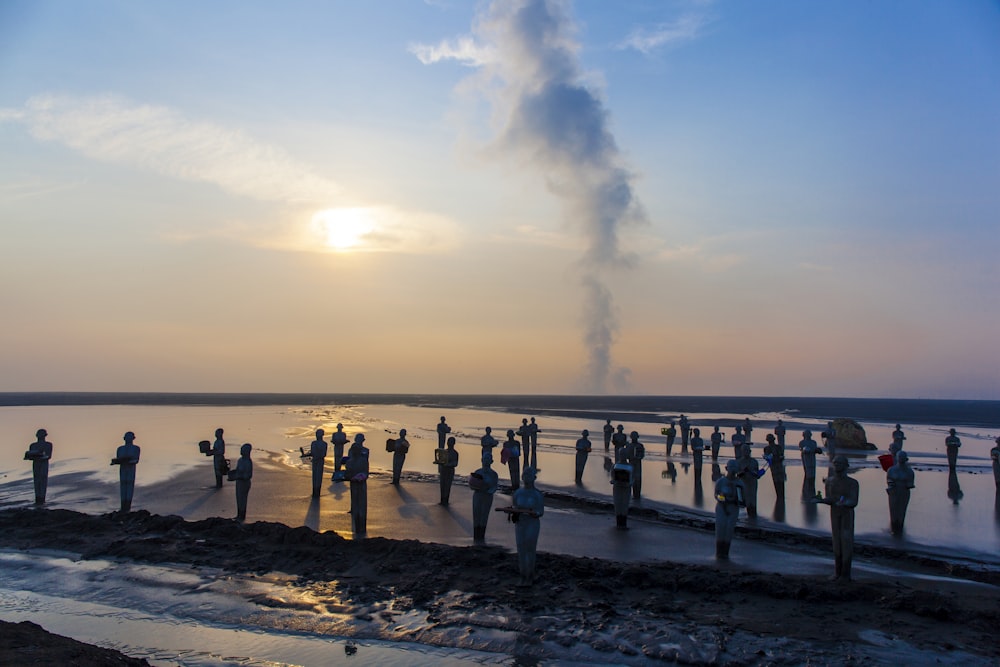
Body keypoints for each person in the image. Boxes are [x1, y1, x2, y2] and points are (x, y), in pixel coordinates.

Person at [818, 455, 860, 581]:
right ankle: (837, 572)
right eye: (835, 463)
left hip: (847, 514)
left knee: (846, 540)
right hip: (835, 512)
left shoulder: (852, 483)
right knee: (836, 541)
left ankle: (846, 574)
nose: (837, 465)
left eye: (840, 463)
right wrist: (821, 500)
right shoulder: (830, 481)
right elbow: (830, 498)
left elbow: (854, 501)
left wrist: (844, 503)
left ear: (846, 466)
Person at [511, 466, 544, 586]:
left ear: (533, 478)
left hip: (532, 524)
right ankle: (522, 575)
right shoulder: (518, 493)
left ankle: (530, 575)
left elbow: (540, 511)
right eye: (524, 476)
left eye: (529, 476)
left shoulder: (537, 494)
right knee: (521, 549)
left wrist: (535, 513)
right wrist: (515, 511)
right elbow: (514, 506)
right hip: (520, 523)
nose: (526, 478)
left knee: (530, 549)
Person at [714, 459, 744, 559]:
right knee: (720, 529)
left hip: (733, 509)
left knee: (729, 531)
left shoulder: (739, 483)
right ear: (727, 469)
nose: (733, 472)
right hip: (721, 508)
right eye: (731, 469)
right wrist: (724, 499)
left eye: (735, 469)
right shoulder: (721, 481)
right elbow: (716, 495)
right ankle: (719, 553)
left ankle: (725, 553)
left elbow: (743, 500)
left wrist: (738, 500)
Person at [471, 452, 499, 543]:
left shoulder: (494, 474)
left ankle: (481, 536)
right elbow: (472, 484)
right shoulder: (477, 472)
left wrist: (489, 490)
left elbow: (494, 486)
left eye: (488, 459)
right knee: (476, 515)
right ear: (481, 460)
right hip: (478, 495)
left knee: (484, 515)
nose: (486, 461)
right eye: (485, 459)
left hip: (487, 496)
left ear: (491, 461)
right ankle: (476, 536)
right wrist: (476, 486)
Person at [886, 450, 915, 535]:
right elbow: (889, 480)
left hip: (904, 492)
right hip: (893, 491)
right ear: (897, 458)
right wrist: (891, 486)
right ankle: (894, 526)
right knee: (893, 509)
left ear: (906, 459)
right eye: (900, 457)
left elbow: (911, 483)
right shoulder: (891, 470)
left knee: (902, 509)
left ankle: (900, 525)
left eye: (903, 458)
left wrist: (909, 484)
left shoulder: (910, 471)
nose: (901, 459)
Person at [345, 434, 370, 535]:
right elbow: (366, 472)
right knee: (360, 504)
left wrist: (353, 477)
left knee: (358, 503)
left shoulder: (350, 462)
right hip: (360, 483)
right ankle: (361, 528)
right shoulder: (362, 460)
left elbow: (347, 474)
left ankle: (359, 527)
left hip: (357, 483)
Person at [112, 431, 141, 512]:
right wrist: (117, 461)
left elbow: (136, 460)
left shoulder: (136, 448)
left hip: (131, 469)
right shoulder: (120, 449)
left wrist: (128, 461)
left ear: (133, 438)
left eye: (130, 437)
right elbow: (118, 459)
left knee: (129, 486)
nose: (128, 439)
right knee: (123, 486)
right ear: (124, 438)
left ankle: (127, 506)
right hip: (123, 469)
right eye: (127, 437)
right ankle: (123, 506)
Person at [25, 428, 53, 504]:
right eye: (39, 434)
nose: (40, 436)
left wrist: (41, 456)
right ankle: (38, 497)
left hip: (43, 463)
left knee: (43, 479)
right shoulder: (33, 445)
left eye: (41, 434)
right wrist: (30, 456)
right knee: (37, 479)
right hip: (36, 463)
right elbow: (30, 457)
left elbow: (49, 456)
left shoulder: (48, 444)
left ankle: (42, 497)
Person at [736, 443, 759, 519]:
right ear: (741, 451)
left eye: (747, 450)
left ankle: (753, 516)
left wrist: (752, 472)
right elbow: (738, 475)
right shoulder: (739, 462)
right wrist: (743, 471)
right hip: (744, 483)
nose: (746, 452)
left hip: (752, 483)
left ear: (750, 451)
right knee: (747, 501)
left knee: (753, 500)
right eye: (744, 450)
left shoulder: (754, 461)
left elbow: (757, 474)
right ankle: (750, 517)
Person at [231, 443, 253, 522]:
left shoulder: (248, 462)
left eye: (243, 450)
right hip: (239, 482)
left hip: (244, 483)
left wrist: (240, 476)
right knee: (238, 498)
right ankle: (239, 514)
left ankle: (242, 515)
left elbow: (249, 475)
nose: (241, 451)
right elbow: (237, 470)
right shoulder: (240, 460)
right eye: (241, 449)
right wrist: (233, 473)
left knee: (243, 499)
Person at [611, 459, 632, 529]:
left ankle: (620, 523)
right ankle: (621, 524)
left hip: (620, 488)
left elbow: (612, 479)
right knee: (623, 505)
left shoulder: (615, 466)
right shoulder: (629, 466)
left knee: (619, 505)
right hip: (623, 488)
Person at [438, 436, 460, 505]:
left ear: (453, 443)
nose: (449, 443)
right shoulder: (444, 451)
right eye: (448, 442)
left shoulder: (455, 453)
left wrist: (448, 464)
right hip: (443, 470)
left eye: (450, 442)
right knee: (442, 485)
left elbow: (455, 463)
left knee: (447, 485)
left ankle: (446, 500)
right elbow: (441, 461)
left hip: (450, 470)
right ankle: (442, 500)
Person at [763, 433, 785, 498]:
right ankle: (780, 496)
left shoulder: (777, 447)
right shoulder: (767, 448)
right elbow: (767, 458)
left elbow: (782, 456)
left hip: (778, 466)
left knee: (779, 481)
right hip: (774, 466)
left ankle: (780, 496)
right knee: (778, 481)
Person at [308, 429, 328, 498]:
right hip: (318, 461)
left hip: (318, 461)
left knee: (316, 476)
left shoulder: (315, 443)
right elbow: (323, 454)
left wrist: (314, 456)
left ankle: (316, 492)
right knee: (317, 476)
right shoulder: (323, 444)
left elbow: (321, 454)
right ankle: (316, 492)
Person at [627, 431, 645, 499]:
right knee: (634, 479)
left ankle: (636, 494)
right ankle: (636, 494)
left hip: (636, 464)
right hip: (633, 464)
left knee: (636, 479)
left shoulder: (638, 446)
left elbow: (642, 455)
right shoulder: (633, 445)